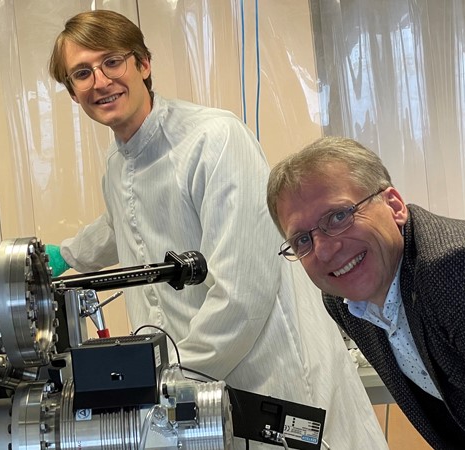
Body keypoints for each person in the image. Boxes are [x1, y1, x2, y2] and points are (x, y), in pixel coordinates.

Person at [45, 10, 387, 449]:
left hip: (268, 382)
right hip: (196, 392)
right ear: (73, 93)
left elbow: (243, 291)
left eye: (112, 62)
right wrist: (62, 257)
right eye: (82, 73)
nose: (101, 81)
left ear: (143, 64)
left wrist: (170, 379)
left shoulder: (214, 139)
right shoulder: (119, 164)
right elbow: (122, 221)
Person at [266, 136, 465, 449]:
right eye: (302, 239)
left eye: (339, 216)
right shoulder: (346, 302)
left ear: (394, 206)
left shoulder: (461, 270)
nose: (326, 251)